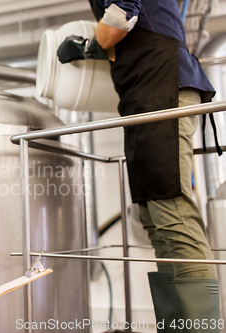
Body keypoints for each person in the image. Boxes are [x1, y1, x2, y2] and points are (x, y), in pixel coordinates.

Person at [58, 1, 220, 332]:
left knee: (172, 211)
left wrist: (91, 44)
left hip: (163, 88)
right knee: (155, 218)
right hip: (145, 96)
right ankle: (177, 328)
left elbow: (122, 14)